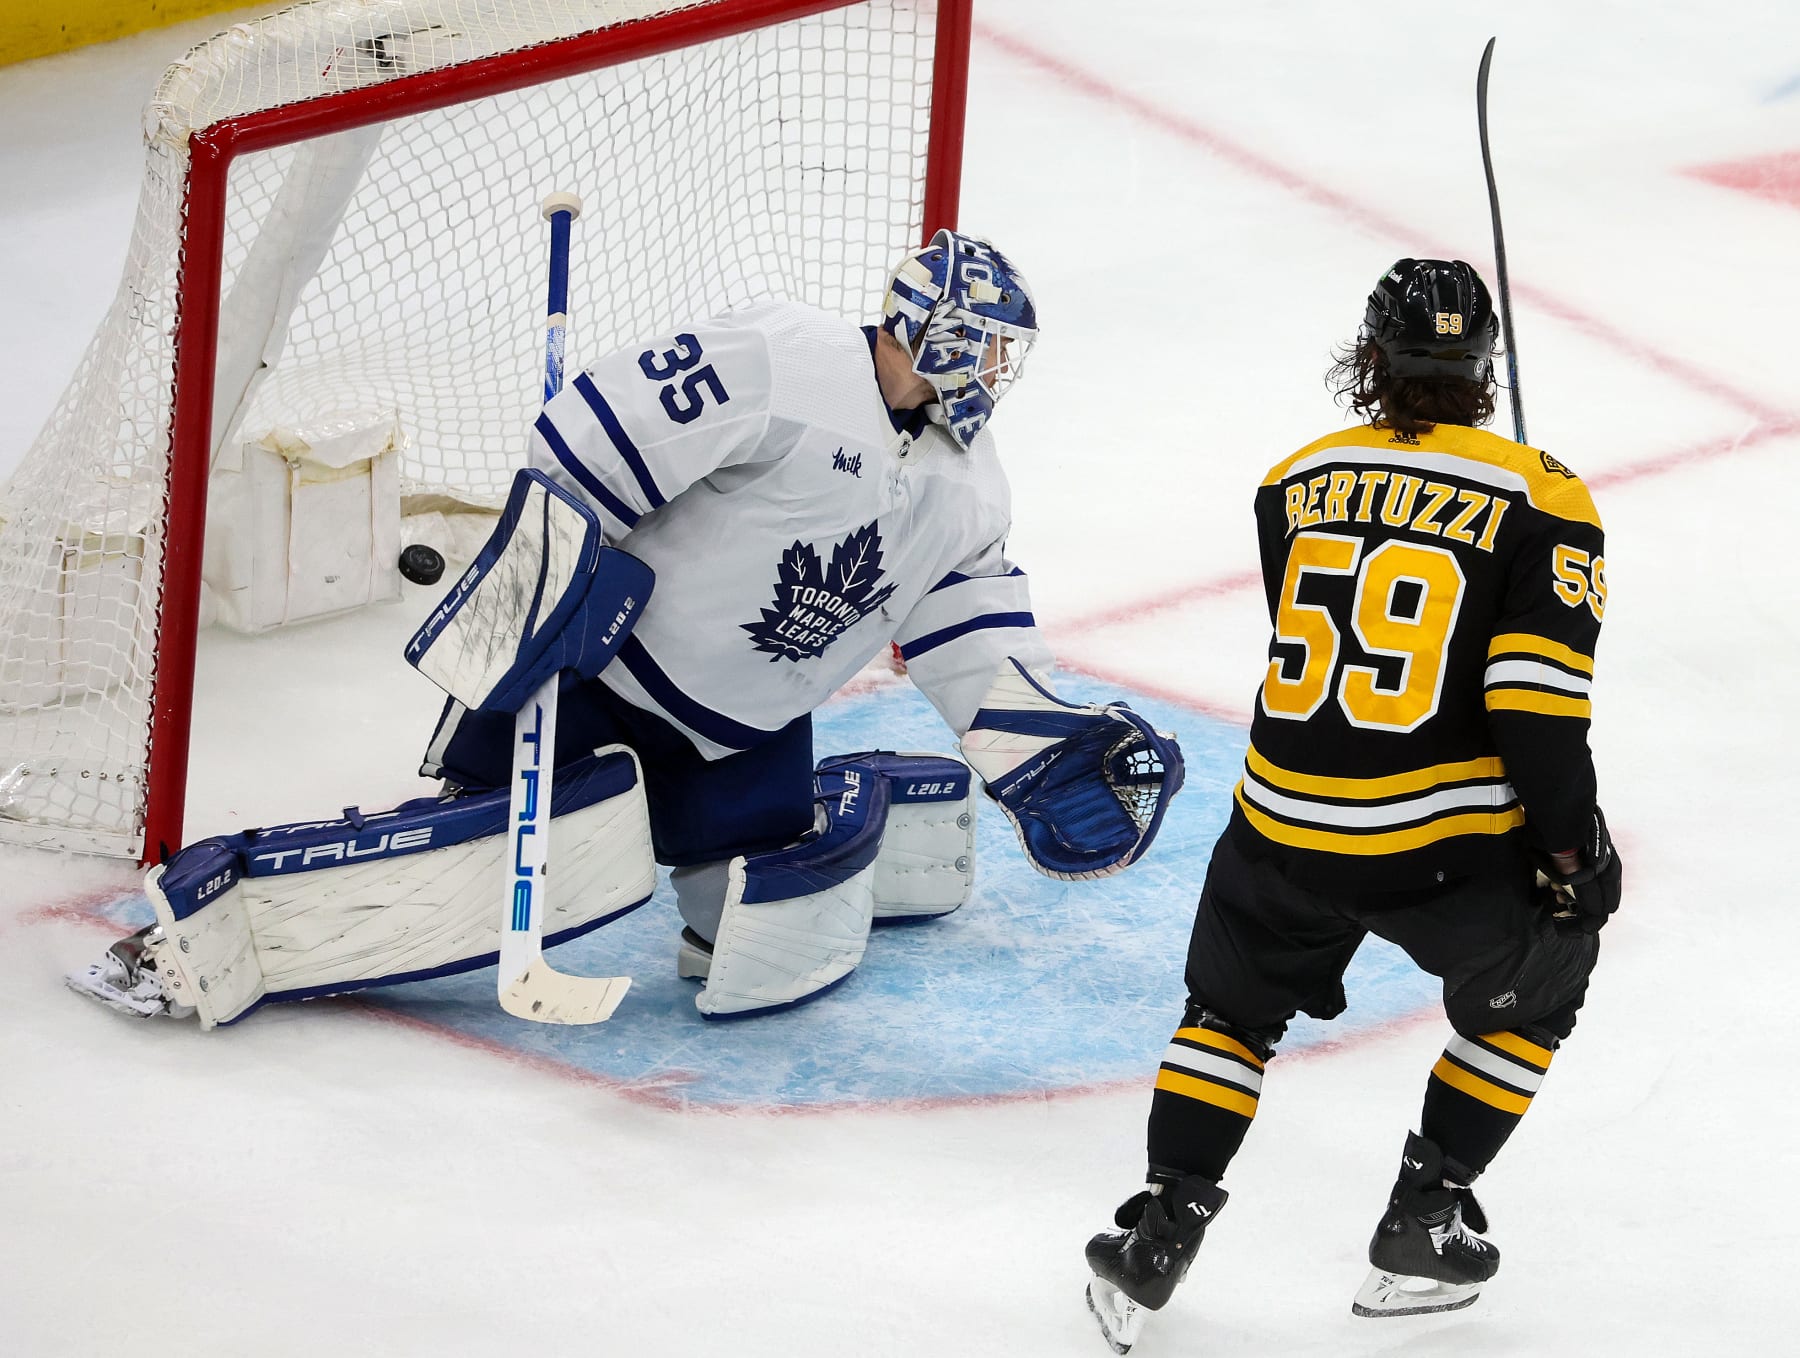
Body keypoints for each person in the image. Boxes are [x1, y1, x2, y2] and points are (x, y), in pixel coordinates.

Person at [69, 230, 1184, 1027]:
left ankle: (722, 858)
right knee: (479, 865)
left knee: (757, 949)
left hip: (749, 729)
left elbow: (968, 638)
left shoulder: (969, 488)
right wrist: (548, 587)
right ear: (923, 330)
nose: (995, 375)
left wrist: (1047, 740)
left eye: (1005, 356)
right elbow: (586, 445)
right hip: (600, 671)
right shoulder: (780, 360)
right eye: (982, 347)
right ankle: (203, 937)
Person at [1082, 258, 1622, 1351]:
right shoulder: (1546, 497)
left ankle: (1159, 1227)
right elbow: (1531, 708)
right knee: (1547, 982)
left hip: (1278, 823)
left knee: (1229, 1016)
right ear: (1484, 368)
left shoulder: (1294, 479)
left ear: (1370, 360)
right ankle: (1425, 1217)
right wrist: (1576, 856)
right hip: (1439, 844)